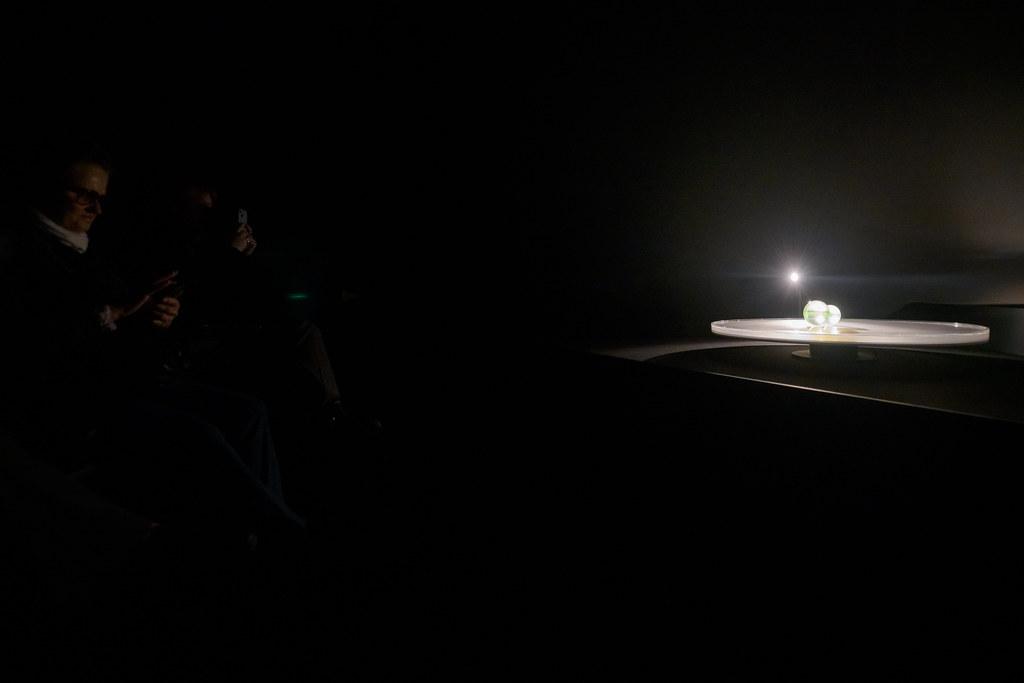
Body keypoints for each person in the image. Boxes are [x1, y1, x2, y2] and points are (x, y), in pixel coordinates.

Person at [0, 140, 304, 544]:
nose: (95, 208)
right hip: (76, 400)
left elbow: (133, 326)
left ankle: (263, 532)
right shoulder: (21, 251)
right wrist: (115, 314)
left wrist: (156, 317)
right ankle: (282, 535)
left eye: (100, 197)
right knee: (202, 435)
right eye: (83, 194)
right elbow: (36, 341)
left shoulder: (91, 250)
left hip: (129, 378)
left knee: (249, 412)